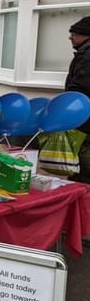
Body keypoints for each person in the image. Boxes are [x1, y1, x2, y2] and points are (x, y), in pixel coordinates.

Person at [65, 16, 90, 183]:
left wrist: (65, 108)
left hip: (85, 120)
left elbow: (80, 89)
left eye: (75, 33)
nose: (71, 37)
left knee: (82, 159)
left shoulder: (87, 56)